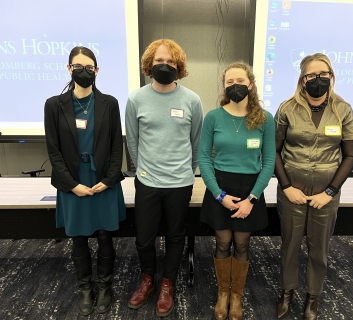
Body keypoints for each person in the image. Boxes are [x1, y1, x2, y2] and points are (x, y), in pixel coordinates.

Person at [274, 53, 353, 320]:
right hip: (292, 191)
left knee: (319, 247)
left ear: (331, 77)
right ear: (302, 80)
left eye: (323, 75)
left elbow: (350, 155)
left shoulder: (342, 109)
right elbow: (273, 151)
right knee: (289, 246)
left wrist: (330, 192)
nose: (317, 80)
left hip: (327, 191)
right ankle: (287, 292)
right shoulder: (287, 108)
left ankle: (313, 296)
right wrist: (286, 186)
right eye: (311, 75)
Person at [44, 46, 126, 316]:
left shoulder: (109, 103)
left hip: (102, 181)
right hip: (73, 182)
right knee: (78, 237)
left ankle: (104, 287)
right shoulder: (54, 105)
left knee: (104, 235)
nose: (84, 71)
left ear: (97, 71)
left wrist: (111, 179)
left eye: (89, 67)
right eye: (78, 66)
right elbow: (53, 151)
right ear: (69, 69)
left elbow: (117, 147)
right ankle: (85, 289)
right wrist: (71, 184)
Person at [125, 39, 204, 317]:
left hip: (180, 182)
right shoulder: (136, 99)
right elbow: (132, 143)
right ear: (149, 64)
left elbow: (196, 144)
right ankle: (148, 279)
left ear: (179, 66)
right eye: (159, 61)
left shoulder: (192, 100)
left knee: (175, 236)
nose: (164, 65)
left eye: (170, 62)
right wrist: (143, 169)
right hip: (147, 181)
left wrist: (188, 171)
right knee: (144, 239)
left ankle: (167, 284)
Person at [198, 62, 275, 320]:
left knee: (242, 244)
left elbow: (269, 163)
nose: (235, 86)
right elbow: (204, 159)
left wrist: (252, 199)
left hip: (250, 190)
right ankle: (222, 292)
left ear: (250, 84)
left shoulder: (265, 119)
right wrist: (218, 194)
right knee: (222, 242)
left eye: (240, 81)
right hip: (220, 187)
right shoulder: (213, 117)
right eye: (229, 82)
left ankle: (236, 295)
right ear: (223, 86)